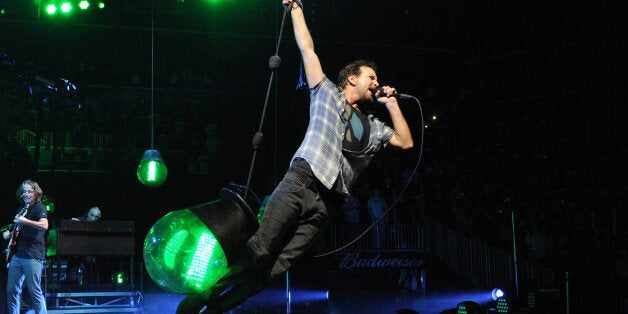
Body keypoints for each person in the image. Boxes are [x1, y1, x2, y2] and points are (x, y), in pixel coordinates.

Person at [176, 0, 413, 312]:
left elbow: (405, 142)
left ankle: (222, 306)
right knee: (260, 250)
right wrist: (297, 9)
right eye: (370, 77)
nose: (376, 82)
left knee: (277, 268)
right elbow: (307, 49)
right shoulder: (326, 92)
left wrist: (392, 104)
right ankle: (205, 296)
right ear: (352, 78)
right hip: (300, 182)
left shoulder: (372, 127)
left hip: (328, 203)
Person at [2, 180, 48, 314]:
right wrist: (9, 234)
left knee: (34, 290)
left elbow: (44, 225)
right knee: (11, 290)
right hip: (16, 255)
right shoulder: (21, 209)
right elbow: (18, 231)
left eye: (29, 191)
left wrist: (25, 220)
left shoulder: (39, 207)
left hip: (32, 255)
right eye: (24, 191)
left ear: (35, 193)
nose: (26, 194)